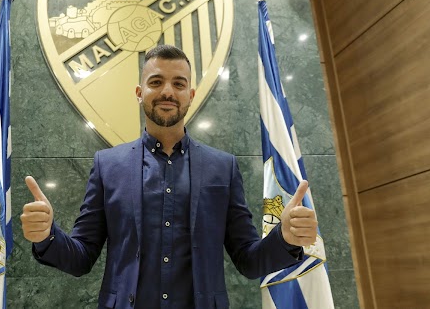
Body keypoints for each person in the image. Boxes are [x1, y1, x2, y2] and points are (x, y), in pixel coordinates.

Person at [21, 45, 318, 309]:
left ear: (190, 95)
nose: (167, 91)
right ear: (140, 93)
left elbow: (249, 260)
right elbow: (81, 257)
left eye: (178, 83)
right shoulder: (107, 165)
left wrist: (285, 238)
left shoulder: (222, 167)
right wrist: (47, 236)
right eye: (156, 82)